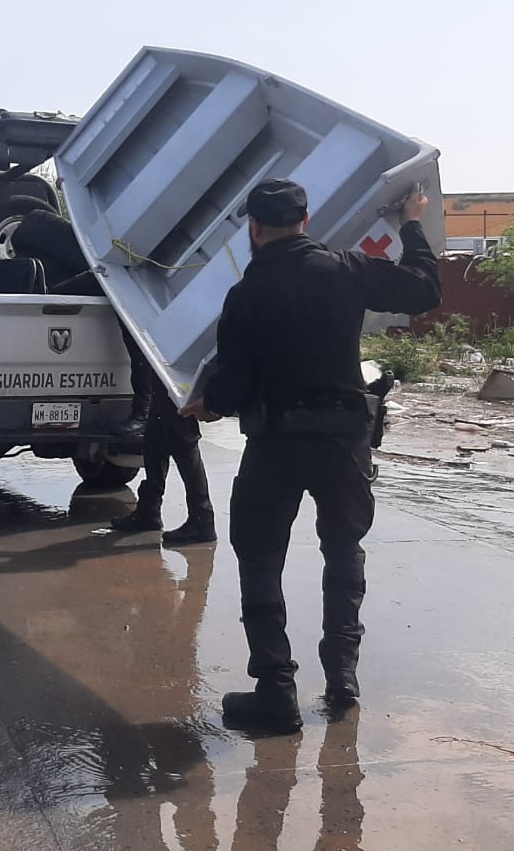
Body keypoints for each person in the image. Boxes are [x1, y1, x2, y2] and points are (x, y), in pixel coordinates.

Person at [180, 178, 441, 733]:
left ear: (253, 229)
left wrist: (206, 405)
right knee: (344, 550)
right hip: (344, 442)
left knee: (258, 558)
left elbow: (232, 386)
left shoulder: (246, 292)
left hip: (275, 444)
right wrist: (411, 224)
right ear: (305, 220)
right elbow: (423, 290)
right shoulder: (345, 269)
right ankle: (342, 677)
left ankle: (276, 691)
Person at [110, 368, 216, 545]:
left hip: (172, 365)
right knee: (156, 435)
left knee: (182, 435)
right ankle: (149, 510)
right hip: (164, 366)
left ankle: (202, 518)